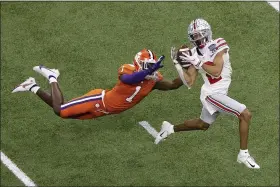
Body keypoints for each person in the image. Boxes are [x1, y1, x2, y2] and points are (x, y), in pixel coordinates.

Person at [154, 18, 260, 169]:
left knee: (202, 124)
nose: (198, 38)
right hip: (212, 94)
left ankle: (170, 129)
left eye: (200, 34)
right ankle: (243, 154)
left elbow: (216, 71)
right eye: (195, 36)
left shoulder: (218, 44)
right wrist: (178, 66)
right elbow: (189, 82)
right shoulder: (192, 53)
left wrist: (196, 62)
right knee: (245, 114)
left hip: (219, 90)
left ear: (208, 32)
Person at [12, 49, 184, 120]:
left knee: (63, 111)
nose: (150, 70)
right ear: (139, 65)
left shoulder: (153, 80)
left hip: (104, 111)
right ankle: (51, 76)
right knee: (60, 111)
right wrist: (146, 72)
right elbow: (128, 81)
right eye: (147, 67)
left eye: (151, 66)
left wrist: (189, 67)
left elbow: (175, 85)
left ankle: (31, 86)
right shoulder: (128, 70)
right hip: (99, 100)